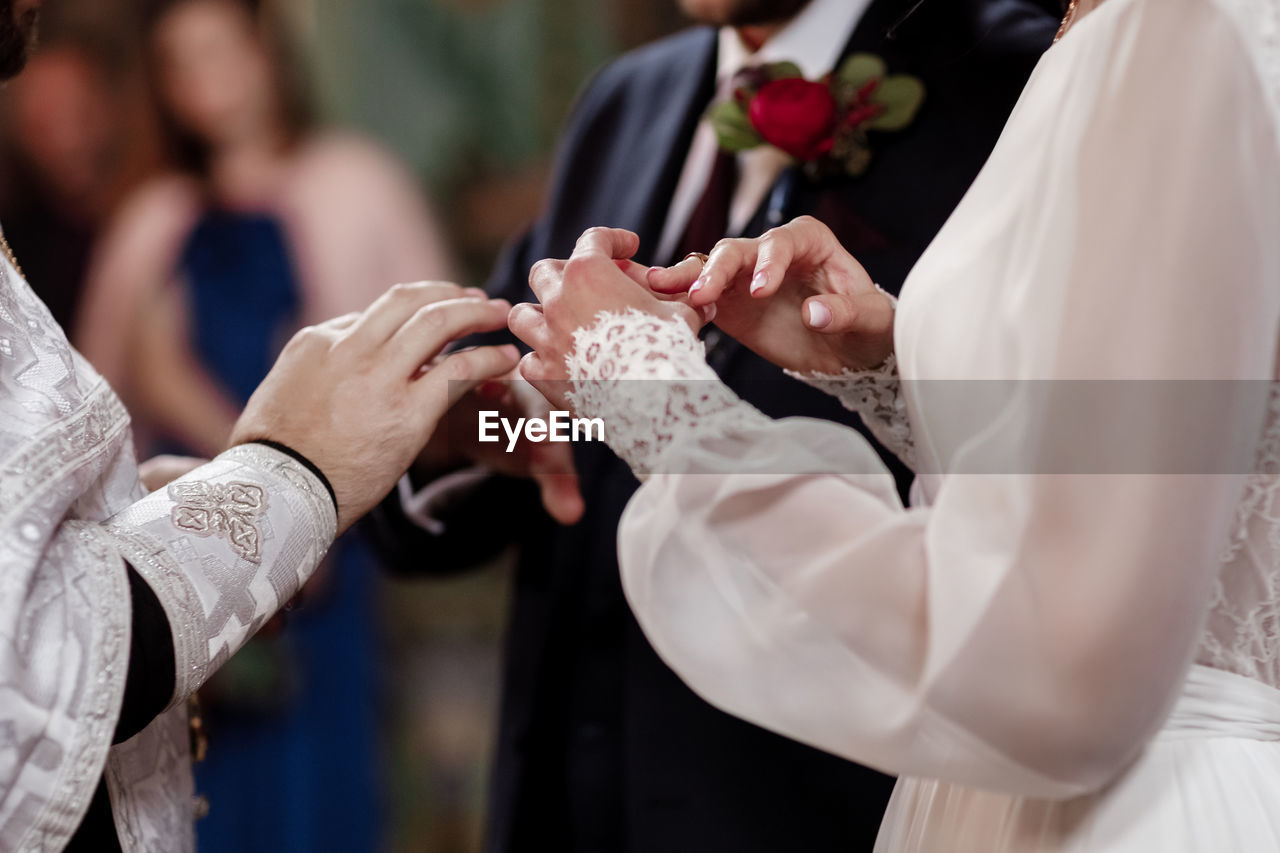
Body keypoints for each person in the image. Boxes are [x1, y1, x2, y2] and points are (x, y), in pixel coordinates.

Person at [511, 0, 1280, 848]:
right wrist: (881, 364)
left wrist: (642, 384)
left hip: (1149, 804)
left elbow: (1067, 663)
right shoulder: (1102, 28)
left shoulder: (1184, 30)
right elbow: (1136, 447)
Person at [369, 0, 1058, 849]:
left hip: (810, 802)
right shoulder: (625, 99)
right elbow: (568, 427)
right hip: (569, 800)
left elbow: (1043, 465)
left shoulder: (1019, 78)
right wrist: (478, 437)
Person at [0, 1, 521, 850]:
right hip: (180, 572)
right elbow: (90, 426)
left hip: (328, 557)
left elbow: (454, 379)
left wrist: (501, 435)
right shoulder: (152, 222)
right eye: (181, 62)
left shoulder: (361, 182)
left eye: (220, 51)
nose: (207, 81)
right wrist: (213, 463)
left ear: (268, 54)